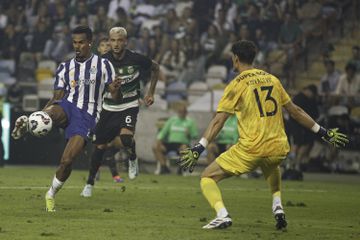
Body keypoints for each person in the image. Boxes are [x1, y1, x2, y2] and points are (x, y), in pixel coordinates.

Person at [178, 40, 349, 230]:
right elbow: (296, 111)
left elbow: (219, 121)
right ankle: (278, 207)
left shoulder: (237, 84)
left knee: (207, 177)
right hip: (279, 147)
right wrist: (323, 131)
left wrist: (199, 147)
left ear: (235, 59)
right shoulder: (272, 79)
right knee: (270, 163)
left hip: (251, 149)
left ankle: (222, 215)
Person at [11, 26, 121, 212]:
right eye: (74, 43)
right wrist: (42, 114)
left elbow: (115, 97)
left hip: (88, 116)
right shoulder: (65, 67)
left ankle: (51, 193)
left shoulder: (104, 65)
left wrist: (117, 89)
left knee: (67, 161)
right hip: (68, 106)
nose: (77, 47)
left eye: (81, 43)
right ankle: (29, 124)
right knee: (53, 111)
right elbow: (56, 98)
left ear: (89, 43)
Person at [80, 27, 160, 197]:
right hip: (108, 108)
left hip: (129, 104)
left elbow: (156, 68)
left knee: (125, 138)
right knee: (99, 147)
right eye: (113, 40)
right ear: (109, 41)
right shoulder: (102, 61)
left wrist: (151, 92)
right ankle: (89, 183)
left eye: (119, 40)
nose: (115, 44)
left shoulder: (136, 58)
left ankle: (132, 158)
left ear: (125, 41)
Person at [152, 103, 198, 175]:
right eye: (180, 112)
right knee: (155, 147)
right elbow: (163, 132)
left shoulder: (190, 122)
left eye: (183, 112)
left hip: (182, 144)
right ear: (178, 112)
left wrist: (189, 134)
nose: (181, 113)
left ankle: (180, 169)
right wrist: (159, 140)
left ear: (186, 113)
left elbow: (195, 135)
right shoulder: (172, 120)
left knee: (184, 148)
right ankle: (164, 168)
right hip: (170, 143)